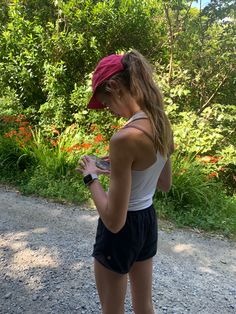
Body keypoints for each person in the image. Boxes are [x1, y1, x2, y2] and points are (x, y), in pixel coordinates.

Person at [76, 50, 174, 314]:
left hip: (121, 233)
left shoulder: (124, 138)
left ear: (115, 87)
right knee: (144, 305)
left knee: (112, 309)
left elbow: (114, 220)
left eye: (106, 103)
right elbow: (163, 183)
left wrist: (90, 175)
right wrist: (117, 167)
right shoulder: (161, 122)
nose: (109, 110)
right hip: (146, 221)